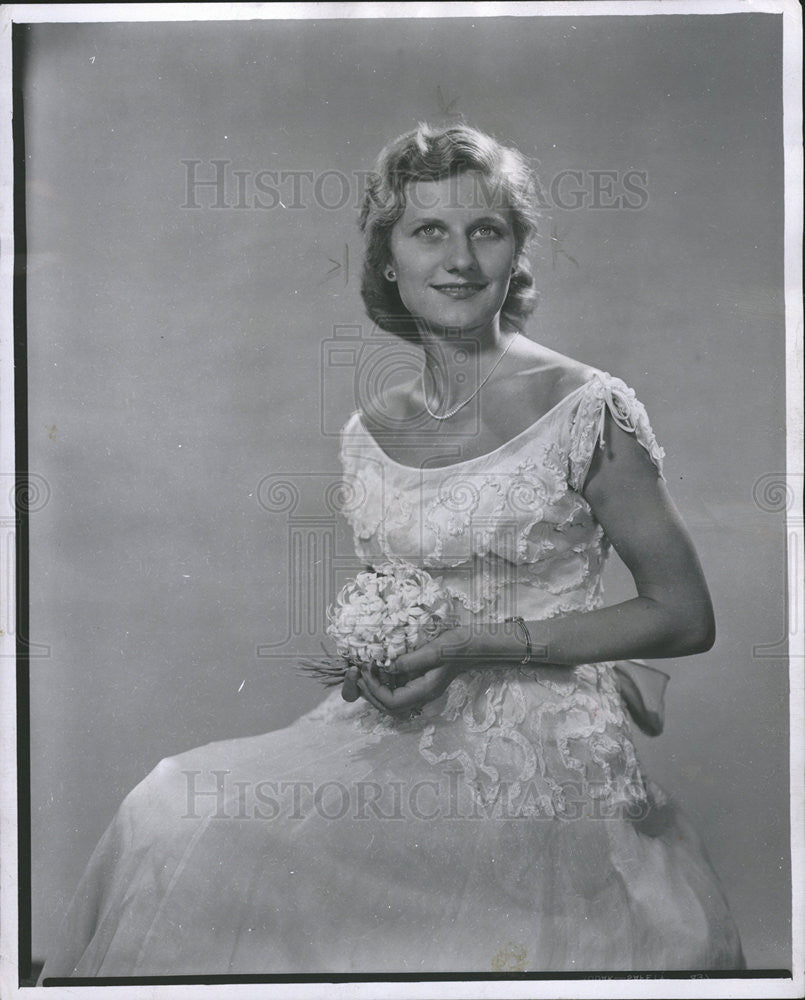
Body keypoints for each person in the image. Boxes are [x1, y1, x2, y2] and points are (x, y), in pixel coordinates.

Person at [40, 123, 744, 977]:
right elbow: (402, 597)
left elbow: (683, 614)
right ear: (387, 259)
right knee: (170, 813)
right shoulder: (369, 430)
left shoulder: (585, 407)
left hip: (540, 752)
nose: (458, 259)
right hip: (398, 726)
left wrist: (474, 644)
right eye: (428, 231)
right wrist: (383, 659)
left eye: (485, 230)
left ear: (517, 250)